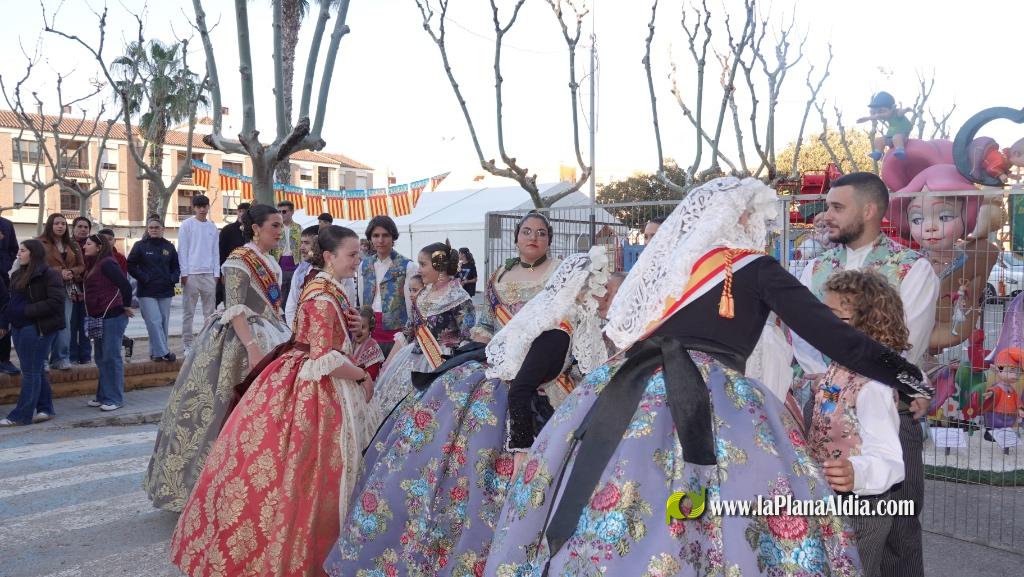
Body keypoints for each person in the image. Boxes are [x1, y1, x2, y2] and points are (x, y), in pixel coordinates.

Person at [483, 177, 933, 577]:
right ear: (740, 218)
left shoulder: (671, 272)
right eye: (757, 216)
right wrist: (909, 378)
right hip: (710, 395)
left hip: (630, 387)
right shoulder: (755, 267)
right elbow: (833, 335)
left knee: (623, 492)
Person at [324, 247, 612, 577]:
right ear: (582, 291)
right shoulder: (558, 332)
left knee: (458, 488)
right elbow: (520, 389)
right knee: (474, 489)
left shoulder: (562, 323)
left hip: (489, 394)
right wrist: (521, 450)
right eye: (600, 289)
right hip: (496, 406)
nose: (602, 297)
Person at [171, 225, 375, 577]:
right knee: (307, 472)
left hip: (297, 373)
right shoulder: (323, 296)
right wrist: (361, 374)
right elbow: (322, 358)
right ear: (329, 256)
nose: (358, 261)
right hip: (317, 387)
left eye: (359, 254)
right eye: (352, 254)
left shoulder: (325, 287)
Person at [792, 171, 937, 577]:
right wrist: (828, 379)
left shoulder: (913, 269)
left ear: (870, 210)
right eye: (827, 206)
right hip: (821, 409)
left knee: (898, 522)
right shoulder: (815, 266)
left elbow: (905, 345)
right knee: (826, 520)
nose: (827, 215)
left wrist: (855, 384)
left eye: (838, 206)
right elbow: (801, 336)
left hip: (889, 408)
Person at [144, 204, 292, 512]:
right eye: (274, 226)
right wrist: (253, 349)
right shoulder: (239, 261)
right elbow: (235, 308)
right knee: (220, 411)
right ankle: (207, 490)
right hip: (240, 341)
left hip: (271, 332)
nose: (280, 231)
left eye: (281, 225)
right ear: (256, 228)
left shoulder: (268, 259)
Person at [800, 270, 908, 577]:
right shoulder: (838, 367)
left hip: (863, 510)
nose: (827, 327)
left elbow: (891, 460)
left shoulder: (873, 386)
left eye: (840, 319)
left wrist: (856, 473)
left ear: (871, 326)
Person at [370, 242, 475, 423]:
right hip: (412, 359)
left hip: (443, 364)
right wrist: (388, 363)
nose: (419, 270)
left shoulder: (460, 298)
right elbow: (410, 330)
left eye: (423, 264)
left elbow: (467, 338)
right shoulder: (422, 294)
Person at [0, 240, 64, 426]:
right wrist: (4, 322)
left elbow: (55, 302)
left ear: (33, 253)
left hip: (38, 328)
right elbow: (10, 302)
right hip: (19, 329)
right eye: (19, 250)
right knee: (35, 370)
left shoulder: (49, 275)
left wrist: (26, 311)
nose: (18, 254)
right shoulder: (18, 274)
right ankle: (45, 408)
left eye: (22, 251)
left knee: (30, 372)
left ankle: (21, 415)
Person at [81, 235, 135, 412]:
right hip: (98, 316)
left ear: (98, 247)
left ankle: (115, 399)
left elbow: (125, 286)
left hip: (112, 315)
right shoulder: (94, 263)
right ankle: (103, 395)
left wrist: (126, 306)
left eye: (88, 244)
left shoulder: (107, 263)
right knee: (101, 358)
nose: (84, 247)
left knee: (111, 358)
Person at [358, 215, 418, 355]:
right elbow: (362, 300)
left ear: (393, 237)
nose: (380, 240)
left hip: (396, 335)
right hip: (370, 331)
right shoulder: (364, 265)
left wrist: (407, 336)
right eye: (376, 235)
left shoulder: (408, 266)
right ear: (370, 238)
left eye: (385, 235)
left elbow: (411, 307)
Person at [128, 216, 180, 362]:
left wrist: (172, 278)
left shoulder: (169, 247)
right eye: (151, 228)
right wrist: (144, 277)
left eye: (157, 227)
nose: (154, 230)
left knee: (163, 322)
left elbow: (176, 266)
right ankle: (164, 352)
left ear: (162, 229)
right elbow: (131, 265)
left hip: (165, 290)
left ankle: (155, 353)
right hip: (146, 291)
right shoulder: (139, 246)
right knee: (154, 321)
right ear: (147, 229)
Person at [38, 213, 84, 371]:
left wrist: (71, 271)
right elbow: (37, 266)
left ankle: (60, 358)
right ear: (50, 225)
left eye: (63, 224)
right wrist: (59, 272)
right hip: (46, 289)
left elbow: (81, 266)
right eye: (57, 223)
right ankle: (42, 359)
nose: (60, 226)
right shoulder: (40, 242)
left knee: (64, 325)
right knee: (46, 324)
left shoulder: (73, 244)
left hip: (67, 289)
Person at [178, 194, 219, 356]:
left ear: (208, 207)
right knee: (188, 312)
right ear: (194, 208)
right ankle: (187, 344)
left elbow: (215, 251)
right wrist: (184, 273)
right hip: (191, 275)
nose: (202, 209)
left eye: (205, 206)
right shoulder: (187, 225)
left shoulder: (212, 227)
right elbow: (183, 250)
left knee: (210, 313)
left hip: (209, 274)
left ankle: (207, 342)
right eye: (199, 206)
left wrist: (216, 273)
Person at [285, 225, 325, 324]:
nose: (302, 248)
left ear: (318, 245)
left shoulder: (335, 271)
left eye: (307, 243)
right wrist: (293, 330)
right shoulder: (299, 271)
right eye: (301, 243)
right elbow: (292, 305)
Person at [858, 91, 913, 160]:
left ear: (893, 108)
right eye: (876, 112)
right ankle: (878, 153)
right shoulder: (886, 116)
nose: (878, 114)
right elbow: (874, 116)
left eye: (881, 111)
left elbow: (900, 113)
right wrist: (865, 119)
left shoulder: (896, 113)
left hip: (901, 134)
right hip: (890, 135)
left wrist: (905, 110)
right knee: (878, 140)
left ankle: (900, 150)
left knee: (896, 138)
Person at [68, 216, 92, 365]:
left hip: (88, 289)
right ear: (73, 228)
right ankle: (71, 355)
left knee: (85, 324)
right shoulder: (66, 245)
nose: (83, 229)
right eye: (80, 226)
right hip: (69, 287)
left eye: (86, 227)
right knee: (70, 325)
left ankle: (86, 356)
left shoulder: (94, 244)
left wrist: (87, 291)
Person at [217, 202, 250, 306]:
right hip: (230, 272)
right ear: (237, 212)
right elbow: (221, 253)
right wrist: (221, 273)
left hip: (248, 273)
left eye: (245, 211)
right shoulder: (227, 230)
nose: (242, 214)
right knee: (231, 305)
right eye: (240, 211)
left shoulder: (252, 231)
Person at [275, 199, 303, 305]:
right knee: (280, 296)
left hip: (295, 264)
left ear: (292, 212)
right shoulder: (275, 228)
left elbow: (303, 248)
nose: (281, 214)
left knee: (294, 295)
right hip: (279, 264)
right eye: (279, 211)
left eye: (284, 211)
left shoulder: (299, 228)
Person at [0, 213, 19, 375]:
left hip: (2, 276)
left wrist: (5, 265)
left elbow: (14, 249)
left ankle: (4, 359)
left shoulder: (7, 224)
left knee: (4, 315)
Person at [353, 305, 386, 381]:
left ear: (370, 327)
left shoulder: (372, 349)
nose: (359, 331)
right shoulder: (350, 343)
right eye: (355, 326)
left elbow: (370, 378)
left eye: (363, 327)